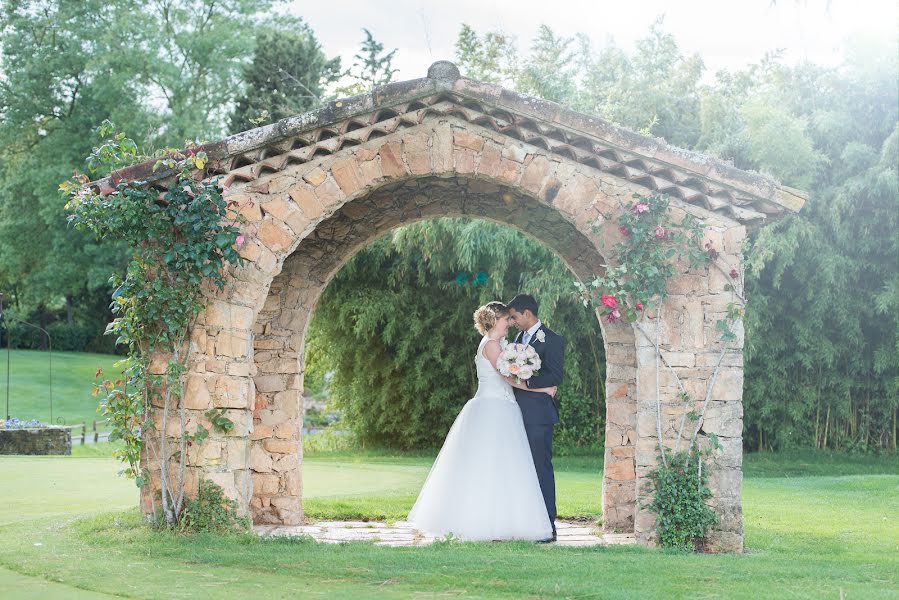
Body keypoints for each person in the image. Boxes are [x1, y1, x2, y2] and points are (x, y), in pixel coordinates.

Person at [407, 301, 557, 541]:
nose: (510, 323)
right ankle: (485, 522)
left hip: (503, 408)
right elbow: (509, 378)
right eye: (506, 319)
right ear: (495, 319)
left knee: (504, 466)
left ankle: (503, 521)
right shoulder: (491, 346)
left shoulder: (499, 344)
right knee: (491, 465)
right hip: (493, 409)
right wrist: (543, 390)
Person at [507, 294, 565, 542]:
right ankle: (525, 521)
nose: (513, 321)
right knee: (521, 470)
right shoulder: (518, 339)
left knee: (541, 468)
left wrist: (527, 381)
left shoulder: (552, 340)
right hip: (515, 412)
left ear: (527, 313)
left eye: (514, 317)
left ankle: (547, 525)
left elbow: (556, 375)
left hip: (538, 414)